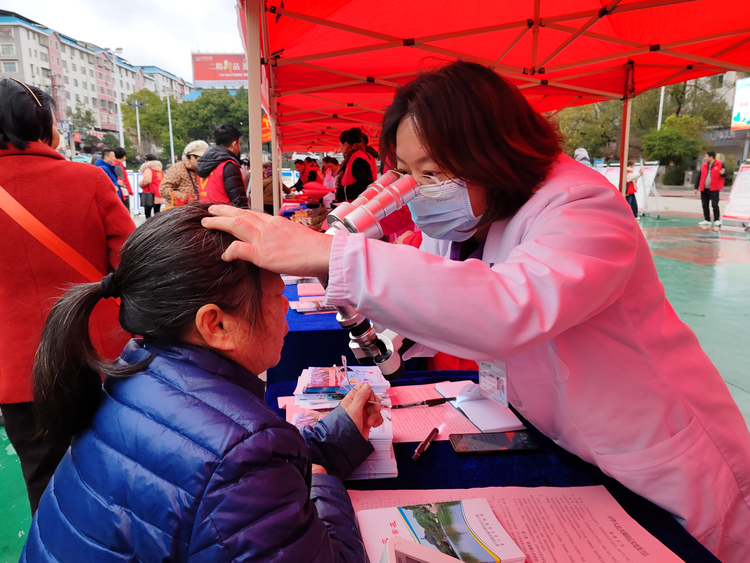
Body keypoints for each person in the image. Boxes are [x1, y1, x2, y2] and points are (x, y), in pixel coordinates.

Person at [203, 61, 750, 563]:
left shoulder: (583, 205)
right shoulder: (468, 220)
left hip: (657, 454)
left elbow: (507, 307)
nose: (423, 191)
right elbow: (442, 294)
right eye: (412, 174)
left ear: (494, 150)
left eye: (436, 171)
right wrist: (391, 340)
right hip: (563, 440)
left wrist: (332, 254)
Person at [21, 204, 380, 562]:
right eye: (275, 295)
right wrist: (320, 477)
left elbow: (208, 470)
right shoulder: (241, 458)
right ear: (216, 324)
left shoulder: (135, 373)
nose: (286, 306)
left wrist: (335, 440)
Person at [0, 77, 134, 514]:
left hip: (16, 372)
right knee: (111, 469)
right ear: (45, 124)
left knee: (44, 483)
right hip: (93, 356)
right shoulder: (87, 180)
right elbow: (131, 262)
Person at [196, 123, 248, 207]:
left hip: (207, 214)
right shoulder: (228, 165)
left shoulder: (203, 164)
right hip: (226, 216)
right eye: (239, 143)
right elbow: (239, 201)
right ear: (234, 145)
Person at [159, 140, 207, 207]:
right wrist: (185, 198)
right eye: (200, 158)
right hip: (179, 211)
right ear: (190, 156)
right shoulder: (178, 168)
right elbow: (163, 189)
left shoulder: (207, 169)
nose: (203, 161)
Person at [335, 127, 377, 202]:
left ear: (346, 144)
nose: (340, 148)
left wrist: (341, 191)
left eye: (340, 145)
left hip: (358, 206)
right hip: (355, 205)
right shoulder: (353, 158)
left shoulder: (358, 159)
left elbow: (364, 185)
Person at [695, 151, 726, 227]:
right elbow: (699, 177)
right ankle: (707, 219)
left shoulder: (720, 164)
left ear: (711, 157)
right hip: (704, 188)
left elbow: (725, 174)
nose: (705, 158)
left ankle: (716, 220)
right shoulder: (703, 165)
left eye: (706, 156)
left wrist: (723, 173)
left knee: (714, 204)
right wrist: (696, 187)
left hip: (714, 188)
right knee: (705, 205)